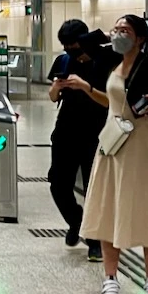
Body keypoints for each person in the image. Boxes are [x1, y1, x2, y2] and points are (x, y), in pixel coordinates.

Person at [76, 14, 148, 294]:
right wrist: (110, 37)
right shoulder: (109, 61)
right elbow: (86, 44)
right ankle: (110, 279)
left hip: (144, 143)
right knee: (111, 207)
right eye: (117, 29)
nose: (120, 34)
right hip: (113, 142)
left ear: (141, 38)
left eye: (126, 30)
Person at [47, 19, 108, 262]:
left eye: (74, 45)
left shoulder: (105, 61)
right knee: (58, 184)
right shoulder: (63, 61)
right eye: (66, 45)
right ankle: (76, 221)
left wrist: (85, 87)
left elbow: (112, 100)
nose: (71, 50)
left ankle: (95, 242)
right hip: (66, 131)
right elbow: (53, 97)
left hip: (97, 133)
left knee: (94, 188)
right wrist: (56, 87)